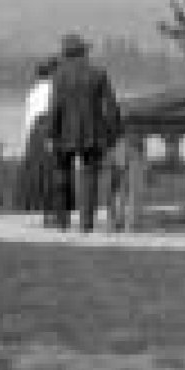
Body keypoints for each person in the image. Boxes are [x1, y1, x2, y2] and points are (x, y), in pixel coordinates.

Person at [49, 34, 121, 233]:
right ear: (84, 52)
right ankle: (86, 224)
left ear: (65, 54)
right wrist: (114, 134)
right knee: (89, 176)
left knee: (62, 174)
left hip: (64, 133)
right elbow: (111, 107)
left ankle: (62, 222)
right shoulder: (98, 73)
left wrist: (50, 134)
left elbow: (55, 107)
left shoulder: (59, 76)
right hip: (93, 133)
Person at [17, 56, 57, 221]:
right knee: (51, 169)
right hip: (48, 129)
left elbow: (28, 118)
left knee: (35, 170)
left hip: (34, 132)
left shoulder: (33, 92)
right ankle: (51, 206)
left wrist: (26, 140)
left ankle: (34, 205)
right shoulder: (54, 90)